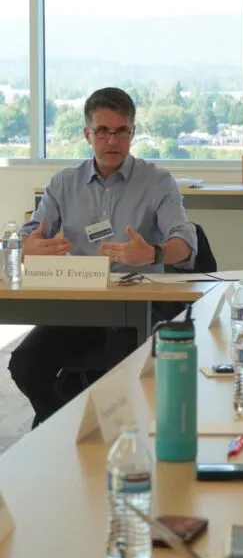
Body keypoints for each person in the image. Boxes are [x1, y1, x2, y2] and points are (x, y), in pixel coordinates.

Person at [9, 87, 198, 428]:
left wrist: (153, 252)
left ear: (132, 133)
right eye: (102, 131)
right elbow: (32, 232)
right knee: (24, 364)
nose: (112, 141)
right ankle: (67, 428)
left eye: (121, 131)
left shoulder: (157, 181)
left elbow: (185, 243)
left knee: (120, 370)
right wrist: (26, 247)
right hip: (80, 301)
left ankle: (120, 440)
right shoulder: (63, 183)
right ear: (87, 134)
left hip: (136, 305)